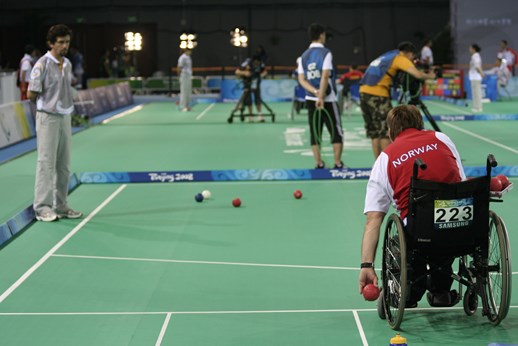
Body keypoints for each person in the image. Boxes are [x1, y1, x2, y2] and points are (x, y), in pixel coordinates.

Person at [358, 104, 466, 307]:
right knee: (446, 227)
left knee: (415, 234)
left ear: (390, 132)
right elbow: (461, 181)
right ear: (421, 125)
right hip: (461, 223)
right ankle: (440, 289)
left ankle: (410, 292)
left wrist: (366, 265)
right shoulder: (441, 139)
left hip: (421, 231)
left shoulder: (385, 159)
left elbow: (373, 221)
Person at [27, 24, 83, 222]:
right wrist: (48, 105)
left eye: (67, 42)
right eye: (60, 42)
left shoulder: (67, 64)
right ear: (51, 43)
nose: (64, 46)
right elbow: (31, 94)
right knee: (46, 163)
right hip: (47, 117)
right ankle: (42, 207)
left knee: (64, 165)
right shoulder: (41, 64)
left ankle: (60, 205)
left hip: (65, 116)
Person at [359, 42, 435, 159]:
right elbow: (417, 75)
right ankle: (387, 165)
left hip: (363, 92)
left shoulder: (387, 56)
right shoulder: (400, 58)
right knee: (385, 131)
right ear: (409, 53)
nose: (411, 60)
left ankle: (378, 164)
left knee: (374, 132)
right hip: (377, 95)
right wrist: (430, 76)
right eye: (412, 57)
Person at [297, 23, 344, 169]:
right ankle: (337, 163)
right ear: (322, 35)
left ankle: (319, 163)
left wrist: (315, 92)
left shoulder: (303, 56)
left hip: (311, 98)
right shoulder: (326, 53)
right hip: (327, 99)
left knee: (315, 131)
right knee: (336, 130)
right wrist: (321, 97)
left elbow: (301, 80)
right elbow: (325, 76)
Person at [235, 54, 267, 122]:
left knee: (258, 99)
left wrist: (262, 75)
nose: (257, 64)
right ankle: (250, 115)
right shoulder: (246, 62)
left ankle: (260, 115)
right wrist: (244, 73)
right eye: (256, 63)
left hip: (256, 83)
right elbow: (237, 72)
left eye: (258, 63)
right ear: (253, 61)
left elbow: (265, 71)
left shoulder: (261, 63)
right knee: (248, 100)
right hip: (247, 83)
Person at [469, 43, 484, 113]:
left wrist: (481, 73)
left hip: (475, 77)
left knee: (477, 93)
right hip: (474, 77)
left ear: (474, 49)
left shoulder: (475, 56)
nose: (469, 50)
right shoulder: (475, 56)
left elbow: (477, 66)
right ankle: (477, 107)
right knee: (475, 93)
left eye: (470, 48)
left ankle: (478, 107)